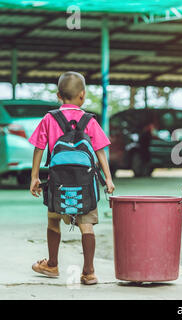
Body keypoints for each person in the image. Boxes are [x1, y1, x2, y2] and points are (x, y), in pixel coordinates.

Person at [28, 71, 115, 285]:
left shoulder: (49, 118)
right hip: (85, 182)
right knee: (87, 225)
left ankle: (52, 264)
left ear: (59, 95)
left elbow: (39, 148)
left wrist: (34, 177)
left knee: (53, 219)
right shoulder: (89, 120)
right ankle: (89, 271)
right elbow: (101, 151)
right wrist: (109, 179)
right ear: (82, 95)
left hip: (57, 182)